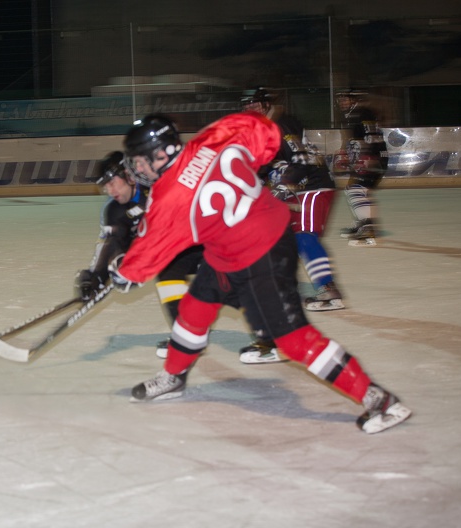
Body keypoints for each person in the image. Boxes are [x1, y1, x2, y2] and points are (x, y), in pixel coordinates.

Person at [109, 112, 411, 434]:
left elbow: (147, 254)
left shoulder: (169, 197)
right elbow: (260, 129)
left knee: (293, 340)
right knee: (194, 310)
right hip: (235, 248)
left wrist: (122, 274)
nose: (137, 169)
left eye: (140, 161)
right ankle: (174, 376)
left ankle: (379, 399)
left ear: (161, 152)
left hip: (261, 255)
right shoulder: (213, 138)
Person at [236, 87, 345, 364]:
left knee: (305, 237)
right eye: (246, 105)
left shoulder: (278, 126)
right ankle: (317, 287)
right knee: (293, 238)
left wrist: (286, 184)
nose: (250, 109)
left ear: (264, 104)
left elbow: (301, 158)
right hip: (303, 189)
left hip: (312, 187)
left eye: (254, 104)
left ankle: (328, 290)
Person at [74, 151, 202, 358]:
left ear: (128, 175)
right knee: (168, 273)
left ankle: (269, 336)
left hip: (204, 244)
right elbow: (111, 244)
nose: (110, 190)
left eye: (113, 182)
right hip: (179, 254)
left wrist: (140, 262)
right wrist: (96, 277)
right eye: (105, 186)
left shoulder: (156, 187)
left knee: (236, 283)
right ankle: (186, 335)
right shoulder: (115, 211)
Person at [335, 89, 388, 246]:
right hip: (369, 157)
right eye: (341, 100)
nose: (342, 103)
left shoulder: (363, 113)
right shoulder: (354, 115)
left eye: (346, 99)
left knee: (354, 190)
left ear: (355, 100)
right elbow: (354, 138)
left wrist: (367, 157)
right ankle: (364, 224)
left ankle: (367, 226)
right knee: (359, 191)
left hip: (372, 158)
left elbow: (371, 136)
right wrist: (345, 153)